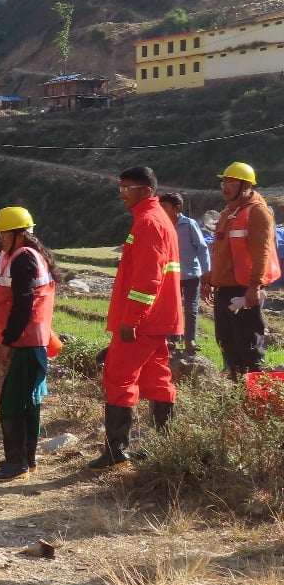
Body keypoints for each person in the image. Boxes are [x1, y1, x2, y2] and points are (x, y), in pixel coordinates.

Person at [89, 166, 181, 471]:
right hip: (157, 319)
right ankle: (163, 446)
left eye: (126, 188)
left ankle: (116, 452)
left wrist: (132, 320)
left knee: (117, 377)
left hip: (143, 322)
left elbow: (147, 279)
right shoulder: (155, 220)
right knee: (156, 378)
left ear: (145, 190)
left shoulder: (148, 222)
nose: (121, 193)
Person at [0, 207, 56, 481]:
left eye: (4, 233)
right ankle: (24, 458)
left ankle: (17, 463)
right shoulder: (23, 256)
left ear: (19, 234)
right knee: (27, 401)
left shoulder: (23, 260)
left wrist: (8, 341)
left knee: (11, 401)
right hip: (30, 341)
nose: (1, 238)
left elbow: (23, 305)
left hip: (23, 342)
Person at [202, 162, 281, 381]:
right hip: (225, 288)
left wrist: (254, 288)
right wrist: (210, 278)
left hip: (244, 290)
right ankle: (237, 390)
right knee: (226, 343)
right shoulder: (229, 212)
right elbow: (220, 251)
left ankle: (255, 397)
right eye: (224, 182)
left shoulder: (258, 212)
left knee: (248, 347)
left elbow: (261, 253)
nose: (225, 187)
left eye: (232, 182)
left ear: (245, 186)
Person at [158, 192, 211, 355]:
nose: (161, 210)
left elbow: (202, 248)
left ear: (177, 208)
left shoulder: (189, 224)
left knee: (191, 308)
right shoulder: (162, 225)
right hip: (171, 276)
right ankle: (172, 339)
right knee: (171, 308)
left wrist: (206, 271)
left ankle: (190, 339)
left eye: (165, 207)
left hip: (191, 274)